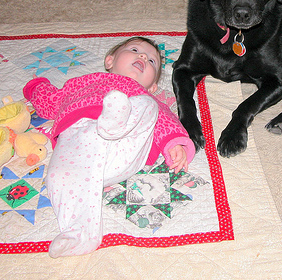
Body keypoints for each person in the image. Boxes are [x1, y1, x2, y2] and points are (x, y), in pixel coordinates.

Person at [23, 36, 195, 258]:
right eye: (134, 49)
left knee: (149, 107)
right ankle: (78, 234)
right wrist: (37, 87)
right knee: (57, 176)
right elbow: (52, 101)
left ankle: (115, 120)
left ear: (153, 85)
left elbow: (165, 122)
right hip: (82, 147)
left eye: (152, 61)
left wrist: (174, 144)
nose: (143, 56)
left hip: (125, 146)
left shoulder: (144, 94)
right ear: (109, 61)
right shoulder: (84, 83)